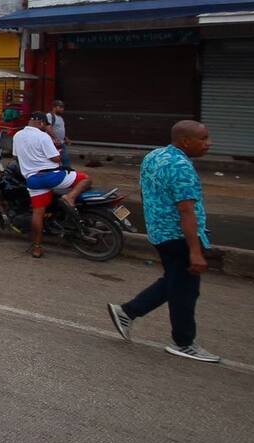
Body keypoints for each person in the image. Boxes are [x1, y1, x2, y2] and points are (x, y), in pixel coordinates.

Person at [109, 121, 219, 363]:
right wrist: (195, 251)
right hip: (179, 235)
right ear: (185, 141)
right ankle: (184, 342)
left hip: (159, 231)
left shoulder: (155, 156)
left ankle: (128, 311)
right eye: (204, 138)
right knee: (185, 290)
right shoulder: (181, 166)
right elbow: (186, 210)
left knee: (176, 282)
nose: (208, 143)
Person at [13, 111, 92, 258]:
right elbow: (55, 159)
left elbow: (16, 157)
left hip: (33, 180)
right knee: (86, 179)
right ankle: (70, 198)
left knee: (38, 213)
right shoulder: (43, 136)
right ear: (41, 123)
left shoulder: (17, 136)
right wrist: (59, 150)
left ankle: (37, 248)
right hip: (52, 176)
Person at [46, 99, 69, 169]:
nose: (62, 109)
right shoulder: (50, 115)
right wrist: (56, 138)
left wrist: (65, 138)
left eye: (63, 107)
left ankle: (66, 172)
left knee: (63, 160)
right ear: (54, 107)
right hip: (53, 143)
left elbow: (60, 129)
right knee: (63, 160)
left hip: (60, 142)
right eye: (60, 107)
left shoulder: (61, 118)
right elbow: (48, 128)